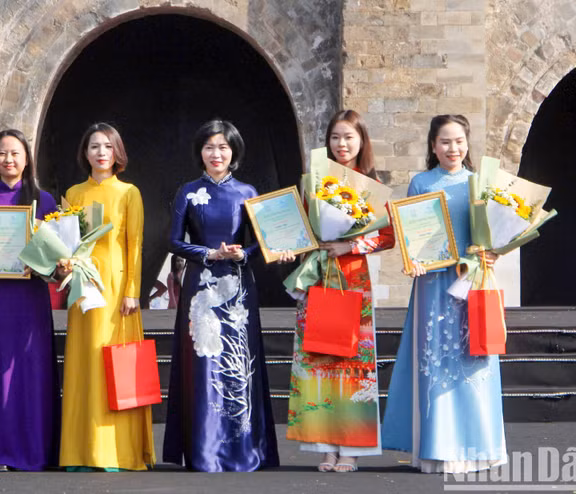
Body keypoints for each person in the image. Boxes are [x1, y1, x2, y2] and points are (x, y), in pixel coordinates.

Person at [381, 114, 507, 473]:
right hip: (433, 284)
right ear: (433, 146)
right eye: (445, 142)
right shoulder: (421, 183)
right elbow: (412, 236)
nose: (453, 148)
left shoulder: (480, 184)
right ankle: (437, 447)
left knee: (474, 358)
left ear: (468, 145)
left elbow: (491, 232)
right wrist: (414, 259)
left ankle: (478, 446)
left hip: (472, 282)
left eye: (459, 141)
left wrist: (494, 250)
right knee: (435, 361)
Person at [163, 119, 282, 472]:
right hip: (200, 286)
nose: (217, 154)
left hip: (238, 287)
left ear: (234, 153)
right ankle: (204, 450)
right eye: (210, 147)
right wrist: (207, 254)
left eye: (223, 148)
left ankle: (242, 447)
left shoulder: (248, 192)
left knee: (238, 363)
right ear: (200, 152)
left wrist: (242, 254)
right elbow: (173, 241)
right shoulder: (187, 191)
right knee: (202, 364)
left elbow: (261, 241)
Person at [286, 110, 395, 473]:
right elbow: (299, 225)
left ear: (361, 141)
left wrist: (350, 246)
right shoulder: (315, 183)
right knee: (318, 360)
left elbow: (389, 235)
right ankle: (324, 446)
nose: (342, 144)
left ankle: (350, 447)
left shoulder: (371, 184)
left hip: (352, 280)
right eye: (335, 137)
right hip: (319, 276)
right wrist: (294, 243)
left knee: (352, 363)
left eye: (349, 137)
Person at [58, 123, 154, 471]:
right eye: (94, 146)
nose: (101, 152)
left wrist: (132, 292)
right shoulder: (74, 193)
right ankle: (80, 451)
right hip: (84, 290)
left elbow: (135, 245)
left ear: (118, 153)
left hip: (115, 293)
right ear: (85, 153)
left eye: (107, 146)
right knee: (84, 367)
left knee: (115, 366)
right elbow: (65, 241)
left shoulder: (129, 193)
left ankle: (116, 452)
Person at [0, 129, 60, 472]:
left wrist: (53, 263)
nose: (9, 159)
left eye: (15, 153)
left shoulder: (45, 201)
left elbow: (56, 257)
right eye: (2, 153)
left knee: (29, 371)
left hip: (31, 297)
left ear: (27, 158)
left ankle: (33, 451)